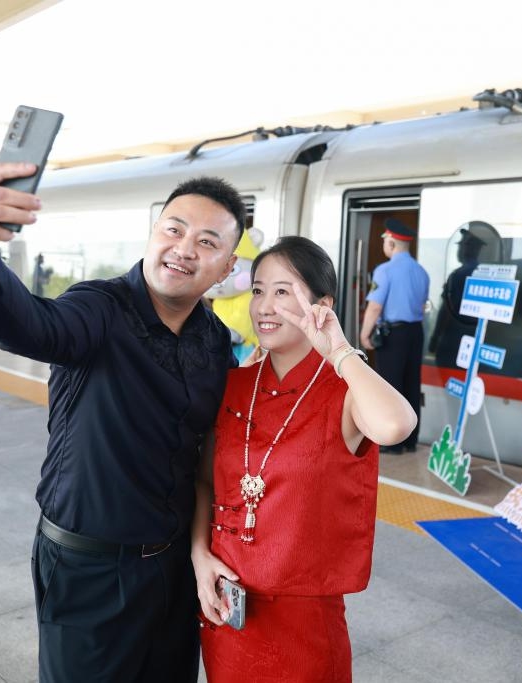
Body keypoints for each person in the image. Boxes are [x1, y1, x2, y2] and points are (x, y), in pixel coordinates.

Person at [0, 162, 246, 682]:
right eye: (173, 229)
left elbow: (215, 448)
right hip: (90, 570)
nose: (184, 247)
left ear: (226, 267)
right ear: (153, 234)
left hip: (173, 571)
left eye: (207, 241)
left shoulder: (214, 340)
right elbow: (31, 325)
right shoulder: (98, 308)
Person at [191, 235, 417, 682]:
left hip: (304, 627)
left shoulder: (344, 389)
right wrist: (199, 555)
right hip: (226, 610)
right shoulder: (235, 385)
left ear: (322, 304)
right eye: (258, 290)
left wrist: (337, 350)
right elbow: (204, 482)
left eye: (283, 291)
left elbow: (396, 426)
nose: (264, 307)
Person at [358, 218, 430, 453]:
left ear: (391, 243)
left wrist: (364, 333)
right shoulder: (422, 272)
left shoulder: (384, 270)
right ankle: (410, 440)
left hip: (393, 334)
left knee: (390, 385)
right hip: (415, 332)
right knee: (411, 382)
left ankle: (393, 442)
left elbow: (375, 307)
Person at [429, 221, 502, 367]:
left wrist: (435, 338)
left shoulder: (458, 275)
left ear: (469, 249)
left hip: (454, 341)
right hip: (476, 338)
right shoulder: (484, 274)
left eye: (461, 245)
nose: (460, 249)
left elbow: (446, 311)